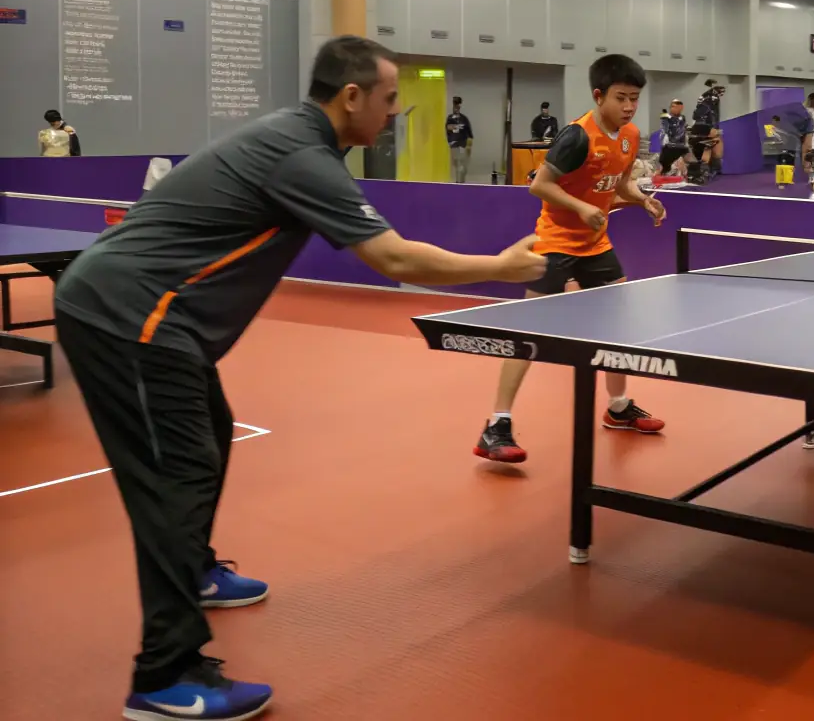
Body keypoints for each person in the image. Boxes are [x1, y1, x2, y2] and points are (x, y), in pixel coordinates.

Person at [52, 36, 546, 721]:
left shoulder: (299, 141)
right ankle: (164, 676)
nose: (395, 111)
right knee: (177, 475)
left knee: (211, 435)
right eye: (388, 98)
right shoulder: (302, 155)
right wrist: (497, 267)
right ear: (351, 98)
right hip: (128, 315)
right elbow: (395, 259)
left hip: (150, 315)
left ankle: (194, 571)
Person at [475, 54, 668, 465]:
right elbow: (540, 186)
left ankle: (618, 407)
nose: (629, 106)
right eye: (621, 98)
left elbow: (620, 184)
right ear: (599, 95)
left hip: (596, 245)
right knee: (530, 333)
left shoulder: (630, 135)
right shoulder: (576, 136)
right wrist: (581, 209)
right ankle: (497, 425)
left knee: (619, 327)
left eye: (635, 98)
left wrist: (643, 200)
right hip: (556, 243)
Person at [689, 80, 725, 177]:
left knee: (715, 148)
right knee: (709, 147)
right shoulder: (708, 101)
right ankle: (704, 171)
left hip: (705, 129)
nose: (722, 93)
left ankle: (710, 169)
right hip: (704, 129)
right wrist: (711, 129)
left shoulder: (709, 101)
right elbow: (700, 116)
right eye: (720, 91)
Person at [446, 96, 474, 182]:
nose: (456, 107)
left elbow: (470, 134)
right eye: (455, 105)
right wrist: (457, 128)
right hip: (454, 145)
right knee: (457, 164)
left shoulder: (464, 119)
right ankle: (458, 183)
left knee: (462, 166)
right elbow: (449, 128)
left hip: (463, 145)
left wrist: (469, 147)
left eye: (458, 105)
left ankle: (461, 182)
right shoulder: (450, 118)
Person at [658, 99, 690, 174]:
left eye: (675, 107)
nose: (672, 108)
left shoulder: (682, 117)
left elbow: (683, 127)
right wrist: (664, 136)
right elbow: (664, 127)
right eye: (671, 107)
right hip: (670, 145)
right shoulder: (666, 116)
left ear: (681, 108)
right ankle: (665, 173)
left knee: (687, 160)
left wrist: (686, 137)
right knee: (665, 163)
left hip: (681, 145)